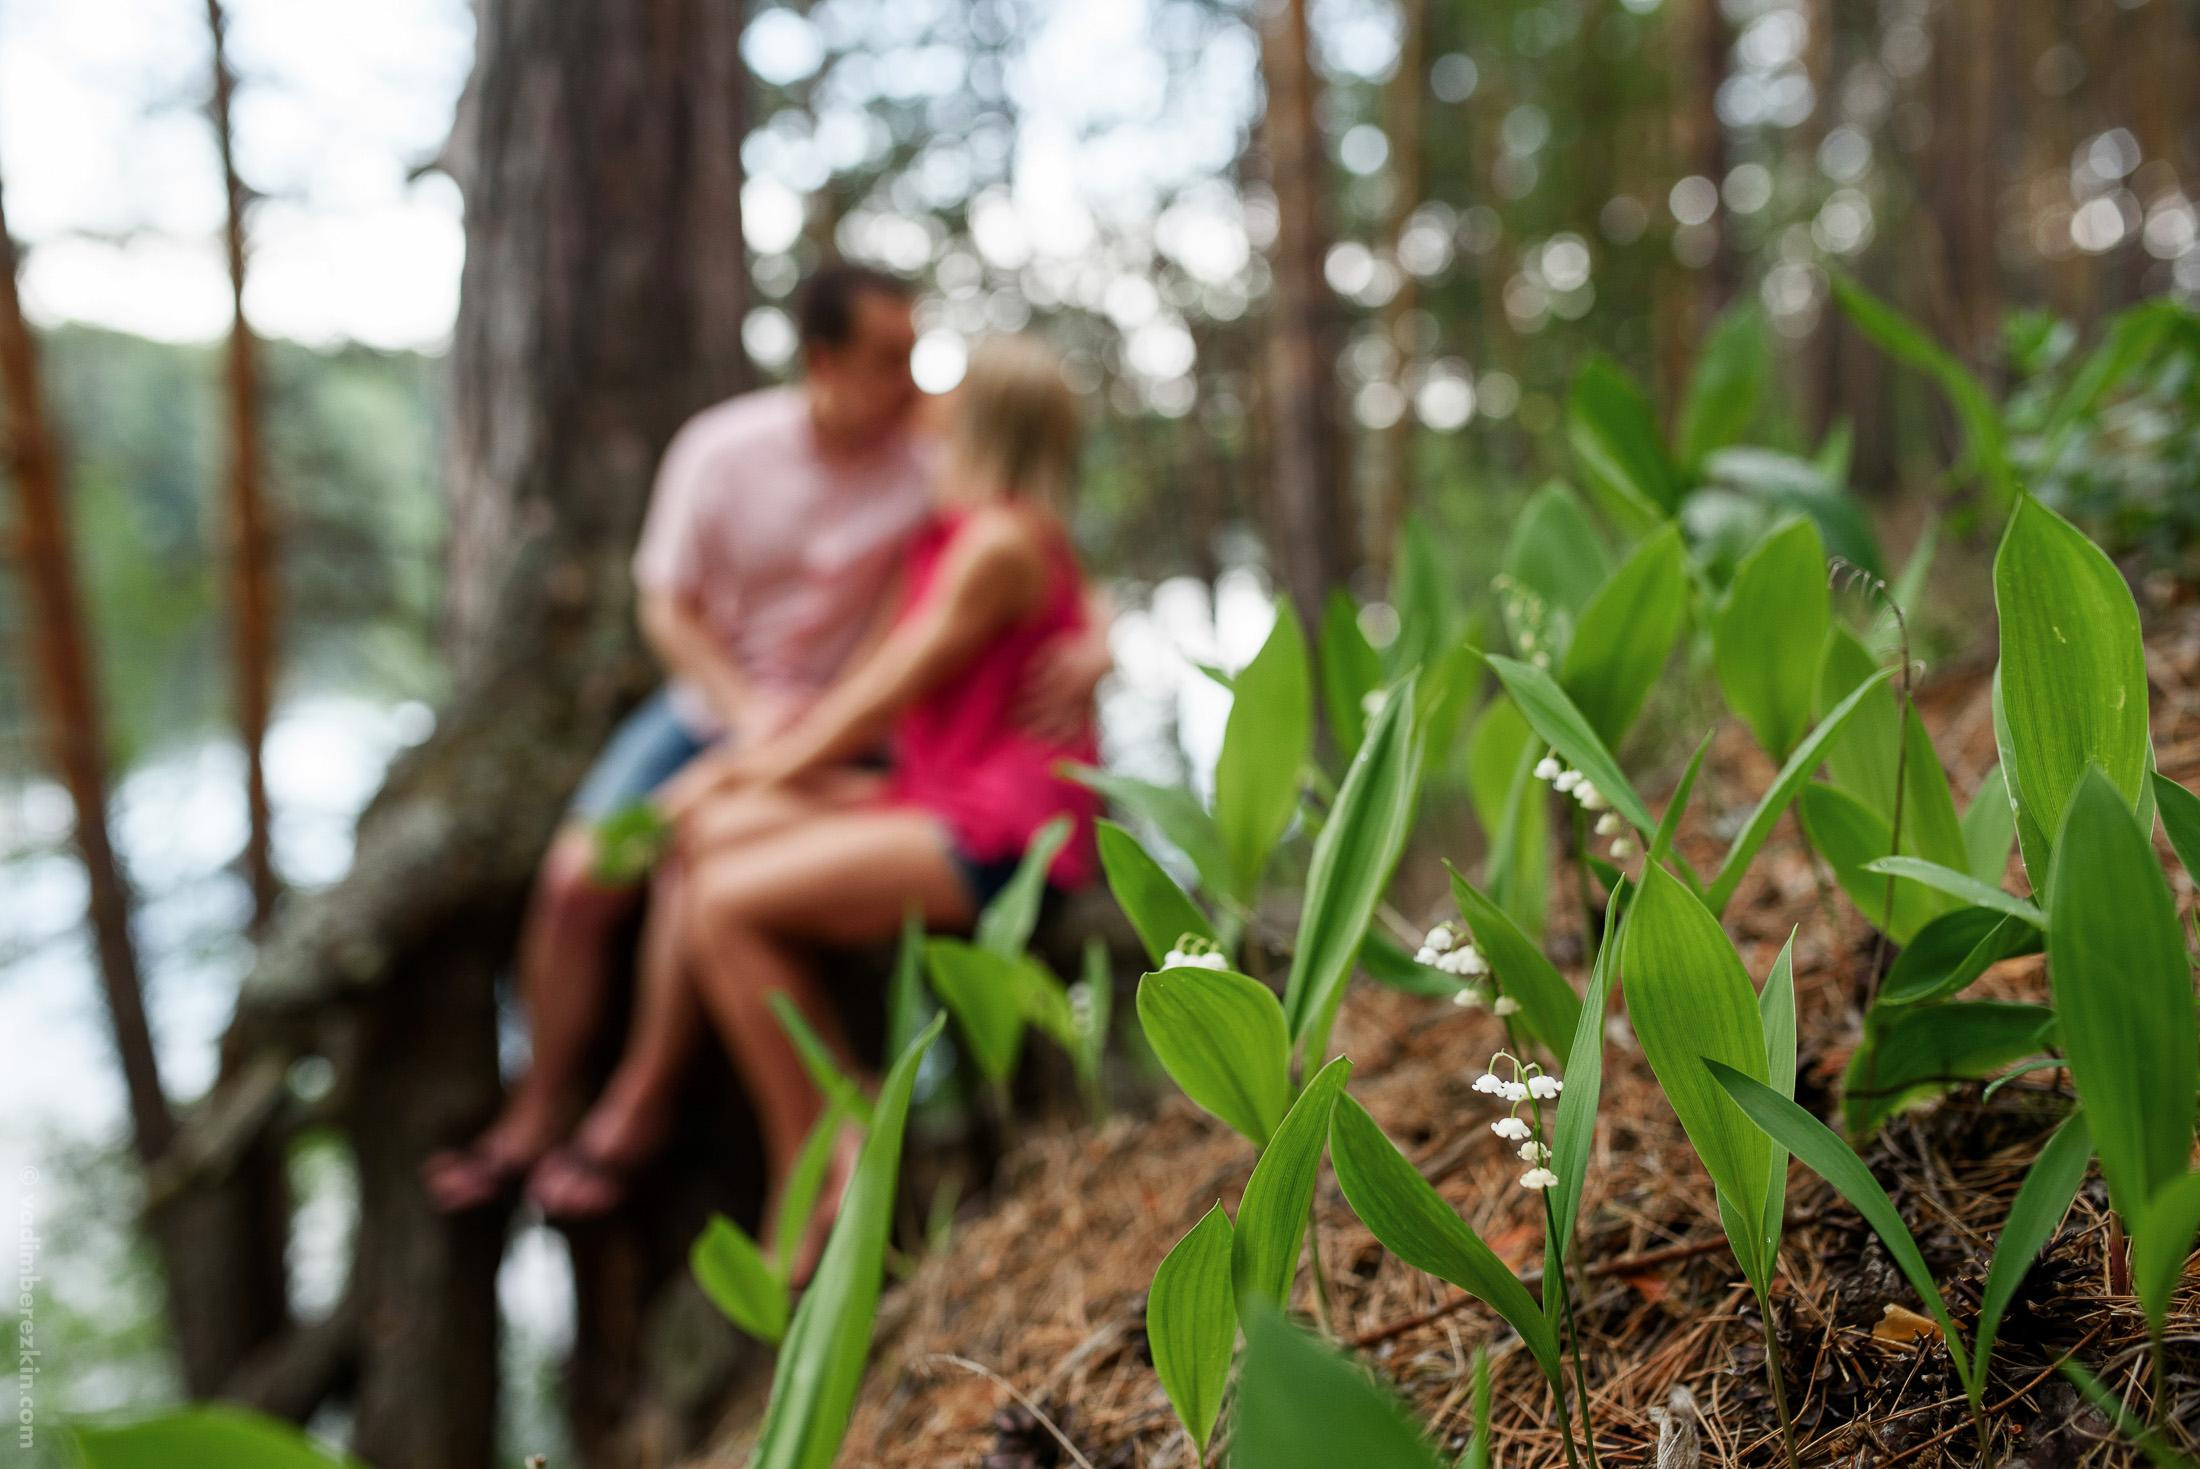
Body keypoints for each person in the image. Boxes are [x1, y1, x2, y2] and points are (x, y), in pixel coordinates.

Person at [425, 274, 1106, 1213]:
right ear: (824, 362)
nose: (916, 385)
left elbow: (929, 647)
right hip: (770, 722)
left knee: (715, 881)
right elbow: (669, 606)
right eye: (891, 360)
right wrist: (742, 735)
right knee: (600, 873)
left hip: (945, 786)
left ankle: (759, 1138)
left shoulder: (949, 486)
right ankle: (564, 1111)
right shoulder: (746, 453)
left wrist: (1102, 638)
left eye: (923, 365)